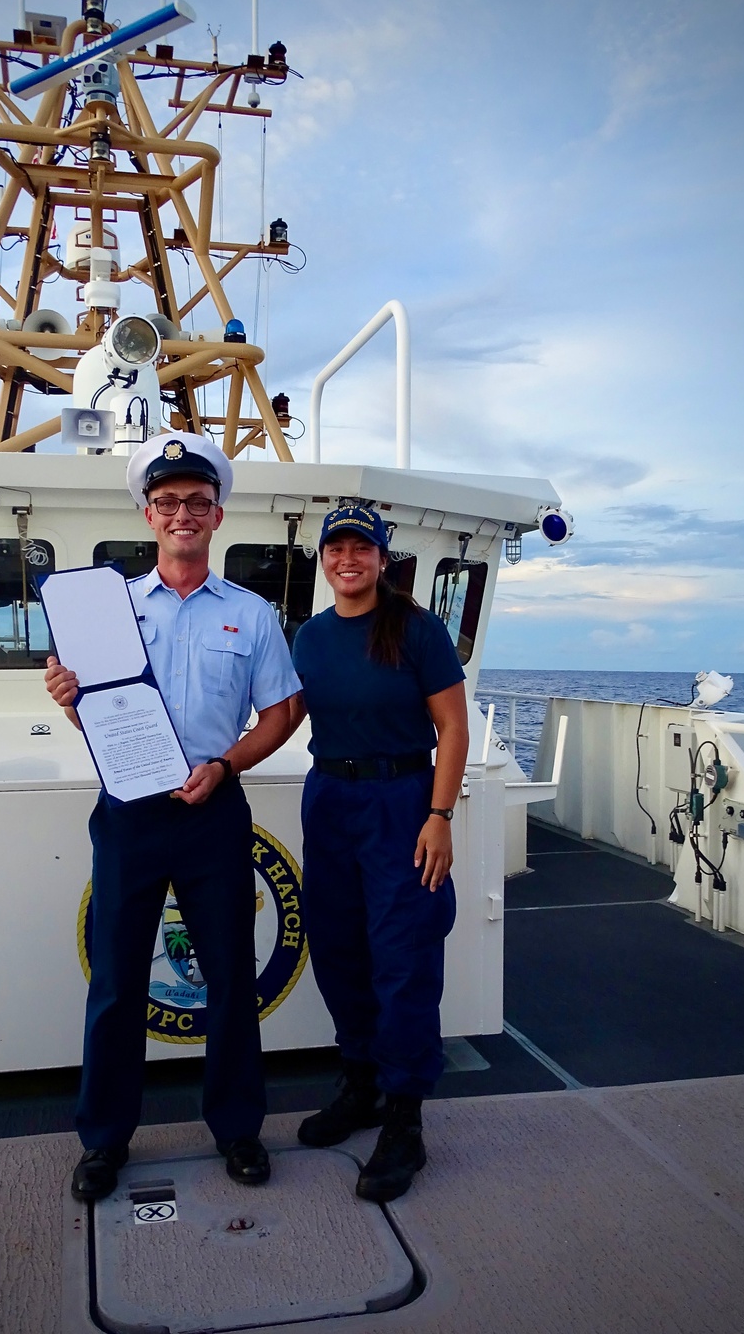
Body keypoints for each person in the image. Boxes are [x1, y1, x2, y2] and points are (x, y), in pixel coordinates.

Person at [45, 433, 300, 1201]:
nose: (182, 514)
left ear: (216, 515)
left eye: (196, 501)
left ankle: (238, 1128)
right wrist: (68, 703)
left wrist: (227, 765)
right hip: (129, 812)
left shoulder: (251, 615)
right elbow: (96, 710)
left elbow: (283, 710)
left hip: (214, 812)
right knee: (117, 983)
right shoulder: (107, 608)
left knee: (230, 978)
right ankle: (103, 1142)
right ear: (148, 515)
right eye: (167, 502)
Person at [289, 504, 470, 1202]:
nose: (348, 559)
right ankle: (360, 1084)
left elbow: (451, 727)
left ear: (382, 557)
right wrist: (217, 763)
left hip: (402, 803)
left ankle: (405, 1120)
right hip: (330, 798)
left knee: (404, 958)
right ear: (324, 559)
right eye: (336, 548)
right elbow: (283, 717)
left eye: (361, 547)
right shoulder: (310, 638)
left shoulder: (417, 629)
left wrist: (439, 816)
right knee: (337, 951)